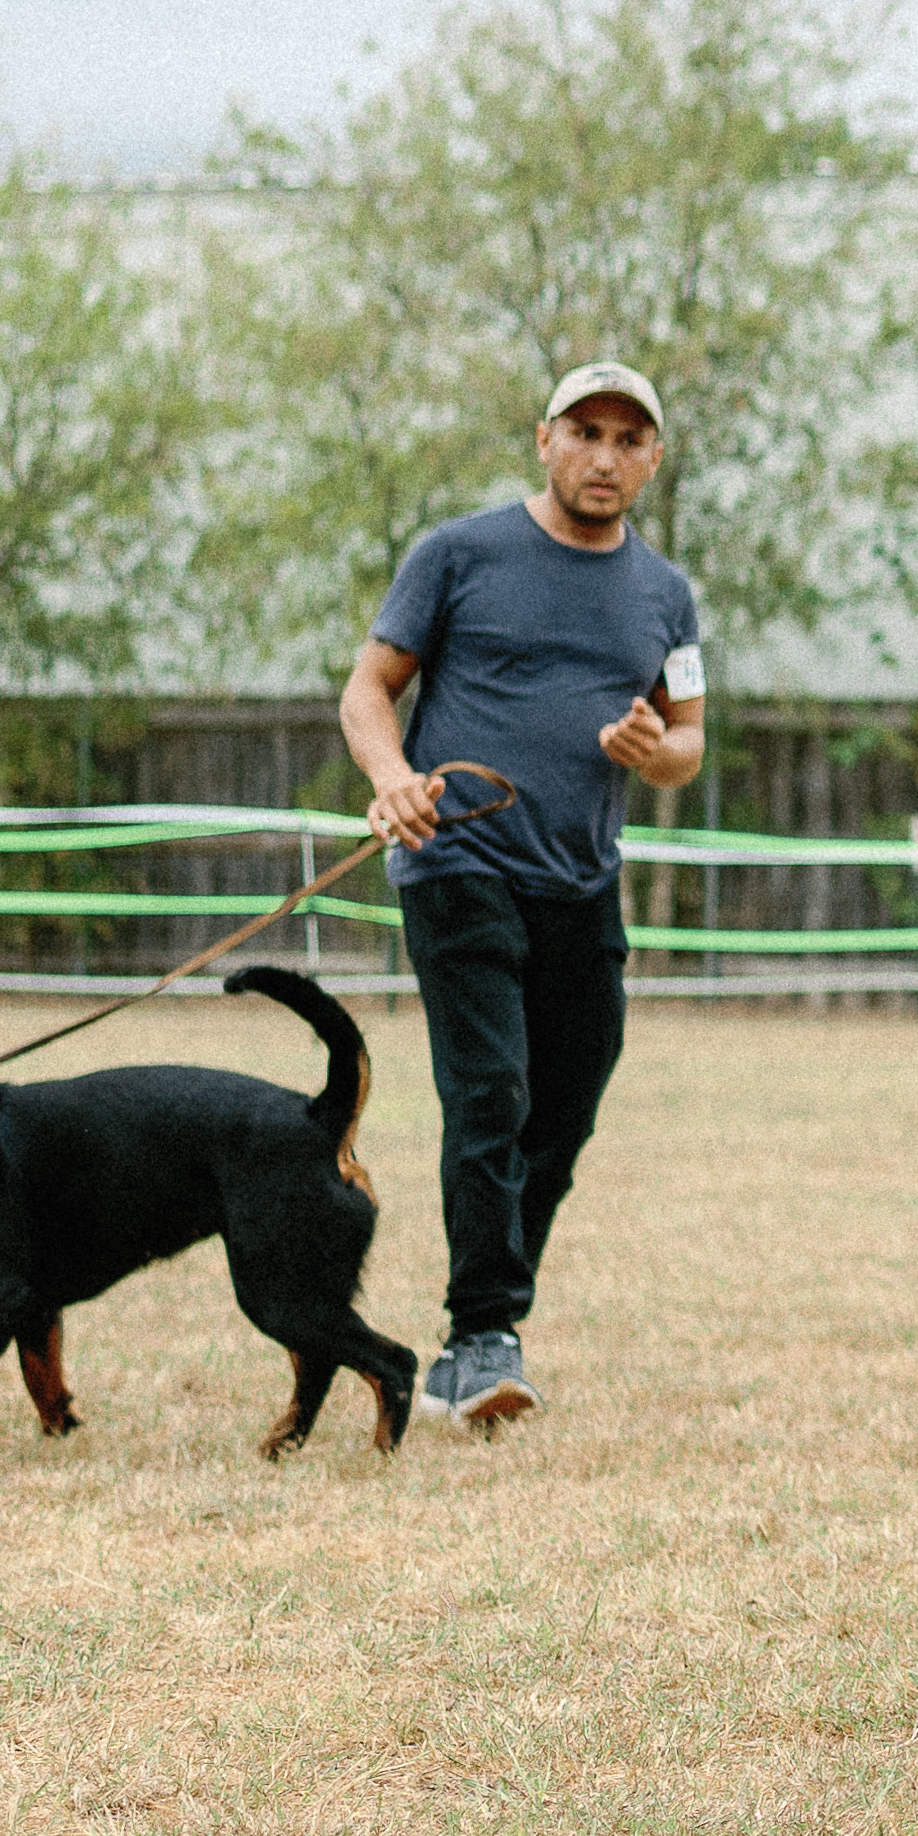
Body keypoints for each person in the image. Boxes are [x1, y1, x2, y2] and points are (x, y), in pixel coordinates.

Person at [338, 364, 708, 1435]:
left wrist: (658, 747)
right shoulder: (458, 554)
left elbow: (686, 742)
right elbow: (369, 688)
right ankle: (482, 1333)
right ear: (543, 440)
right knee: (491, 1090)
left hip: (580, 878)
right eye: (584, 431)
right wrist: (391, 778)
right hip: (458, 860)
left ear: (651, 459)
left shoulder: (664, 593)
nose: (604, 455)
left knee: (567, 1102)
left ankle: (485, 1315)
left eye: (628, 439)